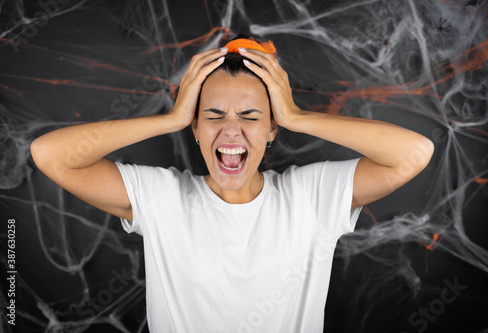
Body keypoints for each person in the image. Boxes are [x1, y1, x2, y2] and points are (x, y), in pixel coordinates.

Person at [30, 34, 434, 332]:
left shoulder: (312, 196)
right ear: (195, 126)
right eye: (214, 115)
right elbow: (50, 155)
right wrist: (170, 118)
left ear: (273, 128)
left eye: (251, 116)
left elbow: (413, 153)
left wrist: (295, 115)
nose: (231, 131)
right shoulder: (160, 198)